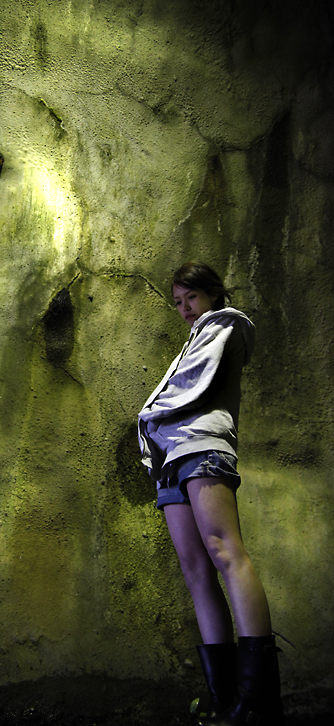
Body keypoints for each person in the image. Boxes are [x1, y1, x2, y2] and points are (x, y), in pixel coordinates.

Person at [138, 261, 284, 725]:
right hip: (171, 458)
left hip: (202, 447)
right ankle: (223, 697)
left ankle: (257, 701)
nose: (184, 309)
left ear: (213, 293)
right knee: (195, 568)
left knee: (225, 552)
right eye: (178, 302)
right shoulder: (195, 337)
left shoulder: (226, 325)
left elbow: (188, 390)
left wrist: (146, 417)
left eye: (192, 298)